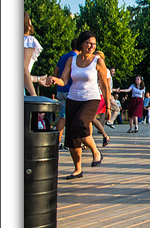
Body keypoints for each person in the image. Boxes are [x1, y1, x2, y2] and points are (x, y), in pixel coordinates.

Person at [46, 30, 110, 179]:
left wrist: (107, 105)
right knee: (71, 137)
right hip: (73, 98)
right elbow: (64, 80)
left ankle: (96, 151)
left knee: (78, 124)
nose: (92, 46)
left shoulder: (98, 61)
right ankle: (78, 169)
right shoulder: (72, 60)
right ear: (82, 43)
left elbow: (104, 85)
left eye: (94, 44)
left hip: (91, 99)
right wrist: (55, 80)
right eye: (89, 43)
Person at [53, 38, 78, 149]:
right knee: (65, 117)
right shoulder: (76, 58)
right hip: (70, 90)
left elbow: (56, 72)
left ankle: (59, 141)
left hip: (60, 89)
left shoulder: (63, 57)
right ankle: (58, 142)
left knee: (63, 116)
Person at [23, 10, 49, 96]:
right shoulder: (28, 41)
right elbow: (23, 69)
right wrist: (33, 94)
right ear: (28, 22)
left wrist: (38, 79)